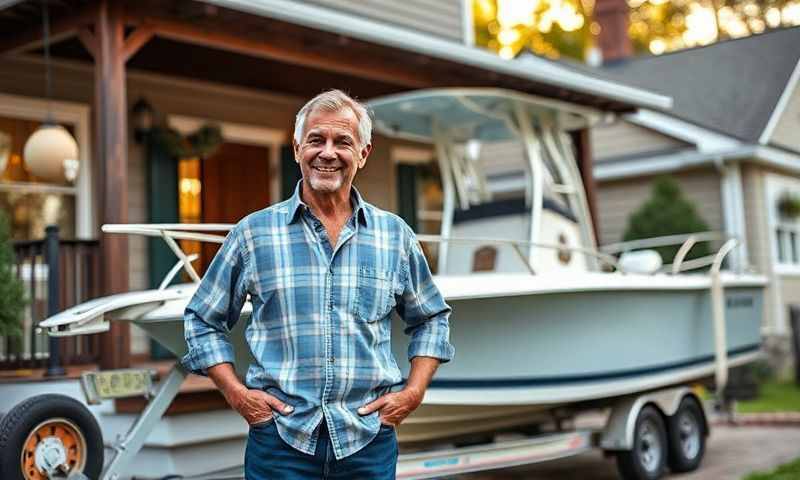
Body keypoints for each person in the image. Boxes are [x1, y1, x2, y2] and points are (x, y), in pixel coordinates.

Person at [181, 89, 454, 479]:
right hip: (280, 443)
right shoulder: (253, 234)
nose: (327, 153)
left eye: (343, 141)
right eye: (315, 140)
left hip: (367, 442)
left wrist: (412, 394)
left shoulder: (395, 237)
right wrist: (236, 394)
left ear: (363, 153)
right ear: (297, 149)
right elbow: (201, 320)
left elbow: (432, 319)